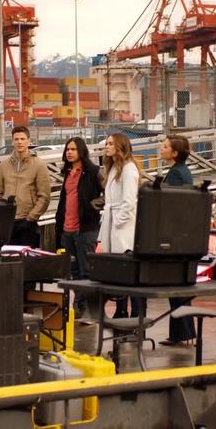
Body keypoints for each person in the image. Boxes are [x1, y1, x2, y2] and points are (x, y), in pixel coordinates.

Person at [158, 134, 197, 346]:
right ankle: (184, 332)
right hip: (183, 235)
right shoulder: (180, 172)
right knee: (179, 287)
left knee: (177, 288)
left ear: (174, 153)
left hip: (175, 236)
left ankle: (180, 333)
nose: (161, 149)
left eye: (165, 146)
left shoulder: (176, 175)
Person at [98, 133, 141, 318]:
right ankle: (121, 309)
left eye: (110, 144)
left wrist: (119, 221)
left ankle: (135, 313)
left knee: (126, 269)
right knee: (118, 271)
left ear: (120, 146)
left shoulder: (129, 169)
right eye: (106, 143)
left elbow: (129, 200)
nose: (106, 147)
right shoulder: (114, 168)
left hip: (122, 226)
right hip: (112, 219)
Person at [0, 126, 51, 248]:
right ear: (12, 141)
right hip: (7, 221)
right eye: (16, 139)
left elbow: (44, 196)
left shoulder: (39, 164)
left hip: (27, 221)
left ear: (29, 141)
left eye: (22, 139)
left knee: (26, 261)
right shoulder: (4, 165)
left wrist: (31, 218)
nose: (19, 142)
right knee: (8, 259)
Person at [55, 137, 103, 280]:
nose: (69, 152)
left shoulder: (93, 171)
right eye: (67, 149)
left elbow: (109, 194)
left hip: (85, 229)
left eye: (73, 149)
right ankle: (78, 302)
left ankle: (86, 303)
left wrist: (92, 205)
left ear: (81, 151)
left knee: (86, 272)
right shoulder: (68, 172)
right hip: (67, 230)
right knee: (73, 272)